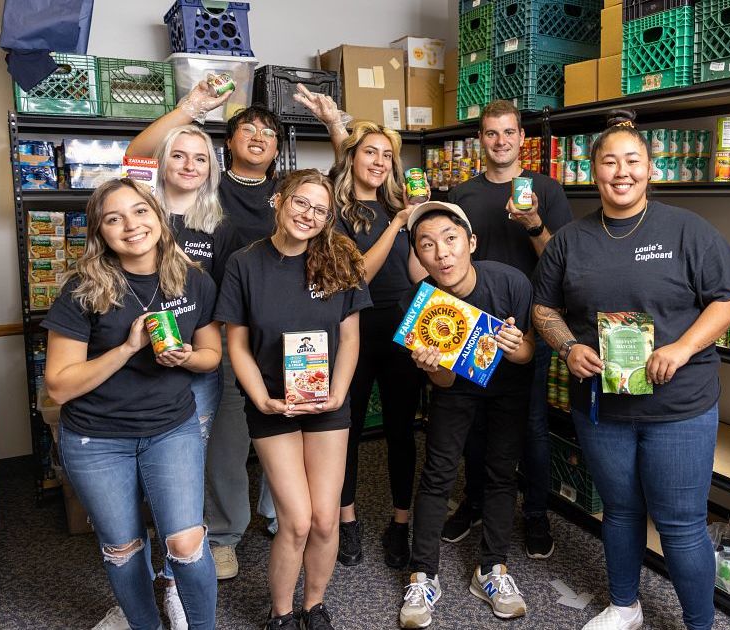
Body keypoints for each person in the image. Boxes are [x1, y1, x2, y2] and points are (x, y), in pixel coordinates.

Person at [531, 110, 730, 630]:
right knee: (621, 511)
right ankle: (625, 605)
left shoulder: (685, 229)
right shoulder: (569, 240)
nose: (621, 172)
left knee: (680, 526)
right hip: (601, 406)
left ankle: (700, 624)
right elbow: (544, 309)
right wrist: (566, 348)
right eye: (609, 162)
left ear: (651, 169)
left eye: (633, 160)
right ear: (593, 171)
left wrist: (680, 348)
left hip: (678, 405)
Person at [42, 178, 222, 630]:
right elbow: (59, 387)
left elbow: (212, 355)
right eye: (113, 218)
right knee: (123, 548)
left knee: (185, 543)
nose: (131, 225)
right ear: (100, 233)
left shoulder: (194, 279)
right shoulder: (83, 289)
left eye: (140, 211)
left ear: (158, 216)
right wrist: (126, 349)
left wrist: (186, 357)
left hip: (170, 428)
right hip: (96, 439)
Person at [128, 84, 284, 581]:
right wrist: (190, 110)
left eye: (199, 157)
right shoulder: (138, 210)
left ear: (210, 169)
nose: (189, 165)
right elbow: (135, 153)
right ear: (164, 161)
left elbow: (234, 294)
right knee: (157, 451)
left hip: (206, 357)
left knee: (222, 450)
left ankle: (218, 538)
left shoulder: (220, 227)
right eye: (179, 154)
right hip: (136, 357)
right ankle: (166, 535)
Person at [214, 169, 370, 630]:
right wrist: (261, 398)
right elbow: (236, 345)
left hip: (328, 402)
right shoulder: (245, 263)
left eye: (320, 210)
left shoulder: (341, 259)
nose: (309, 216)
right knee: (296, 521)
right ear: (279, 201)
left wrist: (339, 393)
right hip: (273, 405)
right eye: (301, 203)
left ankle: (313, 606)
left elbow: (351, 338)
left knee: (325, 520)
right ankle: (280, 613)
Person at [442, 99, 572, 560]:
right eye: (491, 133)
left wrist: (535, 224)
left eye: (508, 133)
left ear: (522, 138)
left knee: (532, 426)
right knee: (474, 423)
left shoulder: (546, 191)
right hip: (472, 322)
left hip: (528, 322)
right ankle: (474, 503)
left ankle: (534, 513)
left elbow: (562, 262)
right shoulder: (463, 195)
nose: (500, 141)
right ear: (481, 139)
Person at [397, 201, 534, 629]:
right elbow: (443, 385)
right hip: (455, 395)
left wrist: (516, 346)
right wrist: (433, 366)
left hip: (507, 390)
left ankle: (492, 569)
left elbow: (530, 353)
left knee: (501, 474)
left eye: (451, 240)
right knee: (437, 473)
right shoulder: (420, 304)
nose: (442, 253)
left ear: (470, 242)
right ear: (418, 257)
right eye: (428, 245)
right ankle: (423, 576)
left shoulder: (510, 282)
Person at [313, 114, 428, 570]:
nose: (379, 162)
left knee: (403, 429)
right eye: (370, 152)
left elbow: (416, 272)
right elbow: (356, 274)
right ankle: (348, 521)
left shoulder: (400, 206)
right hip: (352, 328)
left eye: (387, 155)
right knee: (347, 430)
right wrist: (399, 223)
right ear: (351, 157)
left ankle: (401, 523)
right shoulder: (335, 212)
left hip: (402, 328)